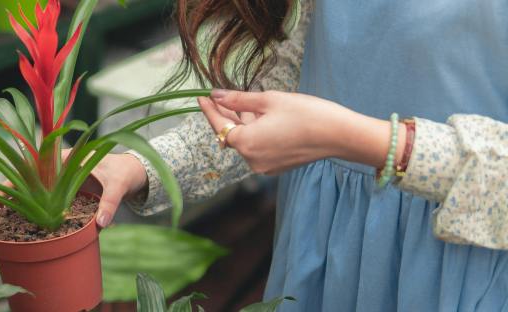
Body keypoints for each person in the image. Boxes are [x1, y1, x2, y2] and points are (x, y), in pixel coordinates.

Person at [89, 0, 508, 310]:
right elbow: (288, 82)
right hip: (324, 248)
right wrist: (138, 166)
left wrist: (369, 142)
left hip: (452, 260)